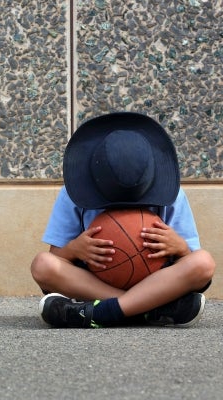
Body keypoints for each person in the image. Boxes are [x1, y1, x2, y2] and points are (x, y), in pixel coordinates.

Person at [31, 112, 216, 328]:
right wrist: (74, 249)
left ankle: (99, 312)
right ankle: (147, 310)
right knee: (42, 265)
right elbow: (57, 258)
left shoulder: (172, 194)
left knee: (203, 263)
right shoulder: (72, 193)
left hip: (156, 280)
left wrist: (181, 248)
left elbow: (190, 258)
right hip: (96, 281)